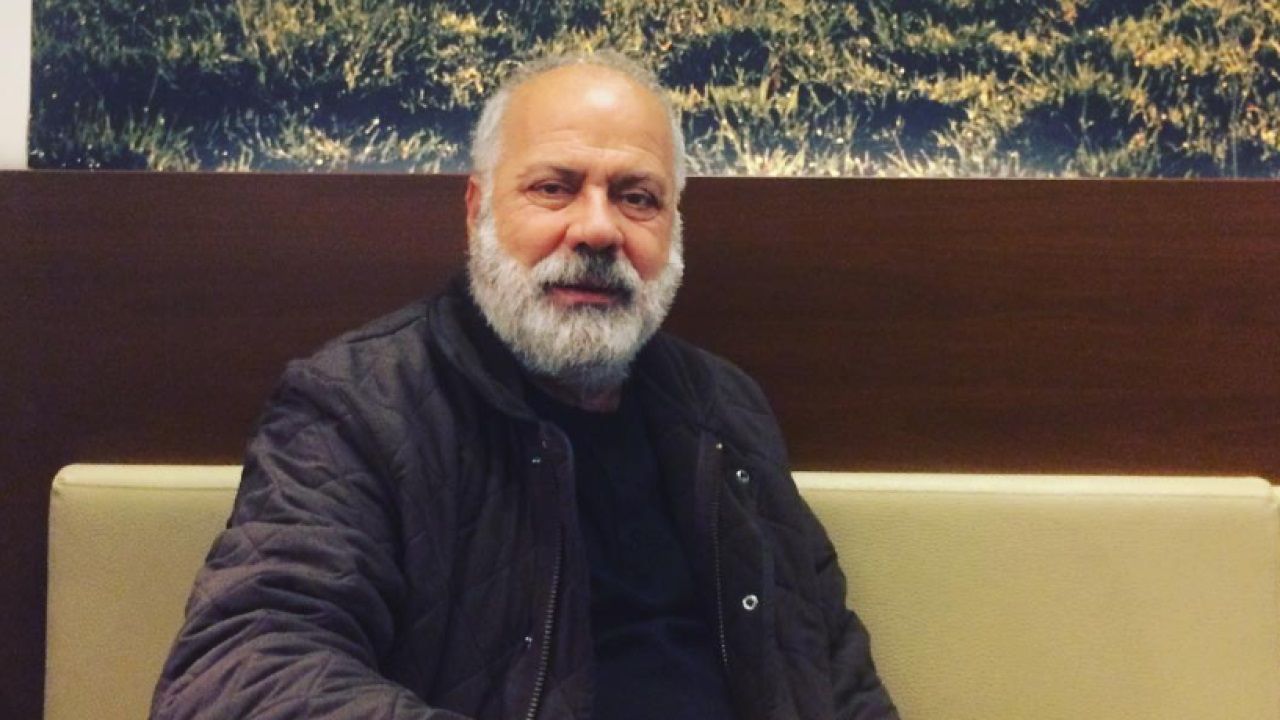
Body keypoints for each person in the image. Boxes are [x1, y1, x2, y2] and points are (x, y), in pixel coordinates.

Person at [151, 51, 897, 720]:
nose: (598, 230)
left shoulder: (727, 408)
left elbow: (834, 673)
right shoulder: (358, 407)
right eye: (554, 188)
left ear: (673, 227)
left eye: (637, 197)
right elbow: (239, 673)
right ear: (477, 210)